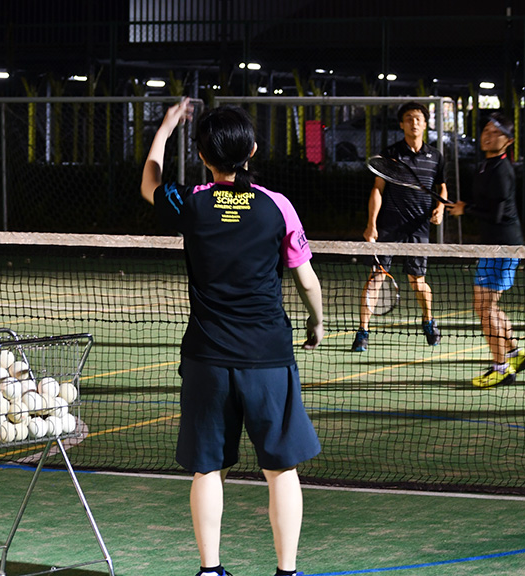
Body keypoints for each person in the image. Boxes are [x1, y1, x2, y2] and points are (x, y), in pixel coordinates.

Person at [141, 100, 324, 576]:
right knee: (280, 470)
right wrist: (317, 321)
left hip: (207, 358)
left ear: (202, 156)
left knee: (208, 469)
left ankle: (210, 570)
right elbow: (306, 279)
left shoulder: (191, 202)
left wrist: (164, 128)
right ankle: (287, 571)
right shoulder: (277, 205)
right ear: (254, 151)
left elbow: (149, 184)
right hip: (268, 356)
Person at [351, 101, 449, 352]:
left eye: (418, 118)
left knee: (417, 281)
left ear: (425, 124)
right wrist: (371, 224)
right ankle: (362, 332)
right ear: (402, 124)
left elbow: (441, 187)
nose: (413, 122)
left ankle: (428, 321)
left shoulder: (436, 156)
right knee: (376, 277)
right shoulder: (391, 153)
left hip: (418, 228)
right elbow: (377, 189)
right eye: (408, 118)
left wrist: (439, 208)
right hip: (389, 227)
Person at [447, 112, 525, 388]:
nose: (488, 135)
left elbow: (496, 214)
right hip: (495, 246)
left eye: (496, 132)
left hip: (503, 246)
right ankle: (515, 354)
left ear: (508, 141)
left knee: (483, 308)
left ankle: (502, 368)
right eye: (486, 129)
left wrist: (466, 209)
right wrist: (466, 207)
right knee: (489, 306)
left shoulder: (501, 170)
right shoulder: (487, 166)